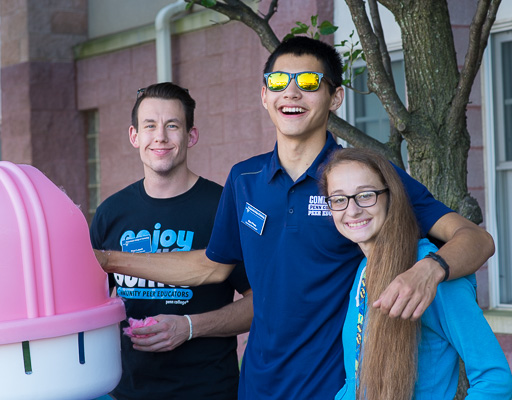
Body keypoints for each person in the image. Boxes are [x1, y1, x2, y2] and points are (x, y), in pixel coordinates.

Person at [94, 37, 495, 399]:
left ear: (335, 97)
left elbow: (476, 240)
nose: (291, 92)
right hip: (256, 384)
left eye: (308, 83)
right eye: (278, 81)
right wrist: (107, 259)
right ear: (264, 96)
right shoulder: (244, 178)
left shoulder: (361, 180)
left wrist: (430, 270)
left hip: (335, 386)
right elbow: (213, 267)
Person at [90, 82, 253, 400]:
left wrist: (189, 327)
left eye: (172, 126)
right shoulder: (111, 212)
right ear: (134, 136)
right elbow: (91, 303)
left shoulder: (222, 207)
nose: (160, 136)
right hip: (125, 392)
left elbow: (260, 303)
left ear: (191, 136)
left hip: (207, 392)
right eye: (150, 126)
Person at [320, 147, 512, 399]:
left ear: (391, 196)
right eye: (339, 199)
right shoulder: (363, 271)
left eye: (366, 195)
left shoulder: (429, 273)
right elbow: (354, 384)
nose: (352, 210)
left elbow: (494, 379)